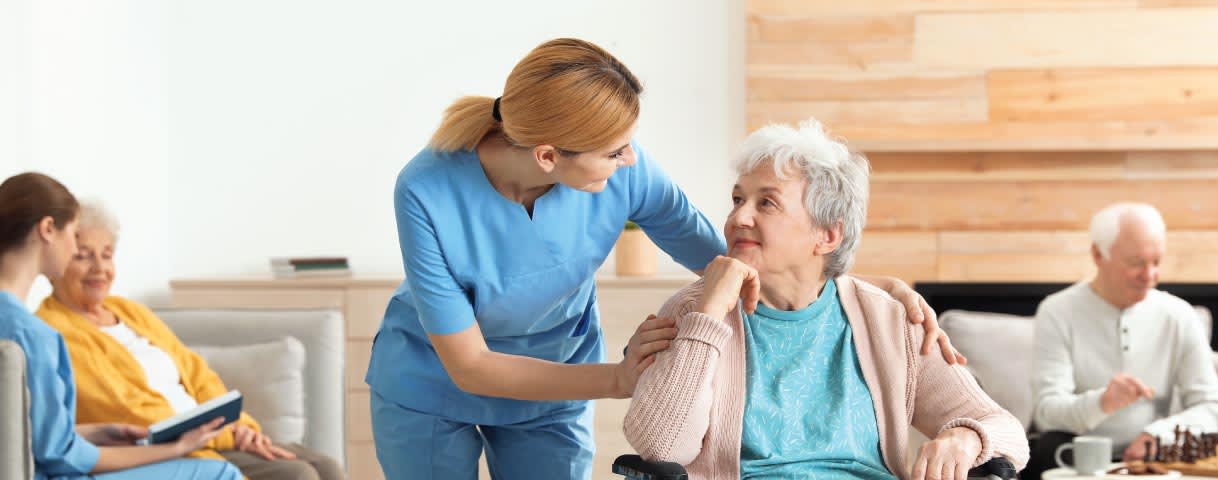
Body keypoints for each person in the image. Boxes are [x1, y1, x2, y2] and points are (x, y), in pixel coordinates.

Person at [365, 38, 960, 479]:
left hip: (554, 381)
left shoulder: (629, 171)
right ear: (548, 155)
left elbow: (733, 260)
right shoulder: (425, 190)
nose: (631, 160)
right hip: (433, 386)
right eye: (614, 151)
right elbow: (469, 364)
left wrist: (874, 289)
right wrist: (619, 379)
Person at [623, 120, 1029, 480]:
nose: (738, 218)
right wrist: (708, 314)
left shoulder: (889, 320)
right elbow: (662, 447)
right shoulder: (694, 311)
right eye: (737, 199)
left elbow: (1006, 429)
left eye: (766, 202)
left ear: (827, 236)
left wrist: (965, 438)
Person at [34, 200, 343, 480]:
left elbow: (197, 374)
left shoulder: (129, 311)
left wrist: (242, 427)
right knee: (297, 475)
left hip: (214, 435)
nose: (99, 268)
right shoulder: (53, 330)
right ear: (59, 262)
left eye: (107, 255)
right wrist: (226, 434)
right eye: (83, 256)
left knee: (328, 468)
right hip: (175, 448)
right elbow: (130, 412)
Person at [0, 172, 240, 480]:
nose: (74, 251)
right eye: (74, 236)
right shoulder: (33, 333)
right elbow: (59, 456)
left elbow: (24, 432)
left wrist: (101, 430)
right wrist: (172, 449)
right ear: (48, 229)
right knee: (221, 472)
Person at [1024, 203, 1218, 480]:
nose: (1149, 276)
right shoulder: (1057, 311)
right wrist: (1103, 402)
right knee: (1047, 447)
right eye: (1136, 263)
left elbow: (1213, 406)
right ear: (1098, 254)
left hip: (1154, 458)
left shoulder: (1179, 315)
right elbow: (1046, 413)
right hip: (1076, 457)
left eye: (1156, 262)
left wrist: (1159, 435)